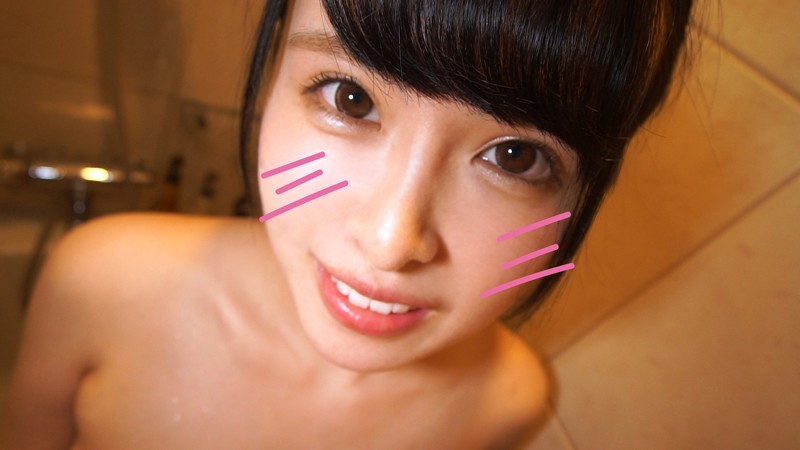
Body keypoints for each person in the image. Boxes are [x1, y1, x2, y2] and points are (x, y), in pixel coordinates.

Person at [0, 0, 694, 448]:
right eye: (351, 98)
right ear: (272, 69)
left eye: (515, 158)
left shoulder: (505, 404)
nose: (391, 242)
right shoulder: (102, 283)